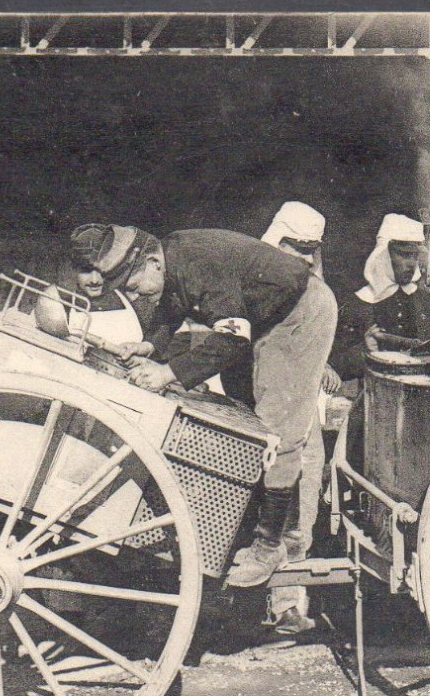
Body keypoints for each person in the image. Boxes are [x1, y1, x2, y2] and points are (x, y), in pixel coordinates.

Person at [71, 221, 339, 588]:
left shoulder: (197, 264)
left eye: (132, 288)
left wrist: (169, 373)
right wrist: (150, 347)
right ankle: (257, 527)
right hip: (263, 316)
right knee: (246, 422)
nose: (133, 298)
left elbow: (232, 338)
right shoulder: (170, 256)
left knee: (278, 431)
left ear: (152, 263)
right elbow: (170, 305)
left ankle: (272, 545)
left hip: (299, 313)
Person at [258, 201, 337, 634]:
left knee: (302, 513)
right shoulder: (262, 288)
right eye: (297, 247)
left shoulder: (315, 295)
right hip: (269, 415)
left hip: (305, 416)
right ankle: (258, 604)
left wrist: (320, 362)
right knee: (268, 513)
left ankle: (290, 606)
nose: (306, 258)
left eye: (312, 249)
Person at [330, 213, 430, 377]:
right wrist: (364, 351)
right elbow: (334, 366)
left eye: (415, 256)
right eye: (404, 254)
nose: (411, 264)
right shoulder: (358, 304)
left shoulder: (427, 301)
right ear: (383, 256)